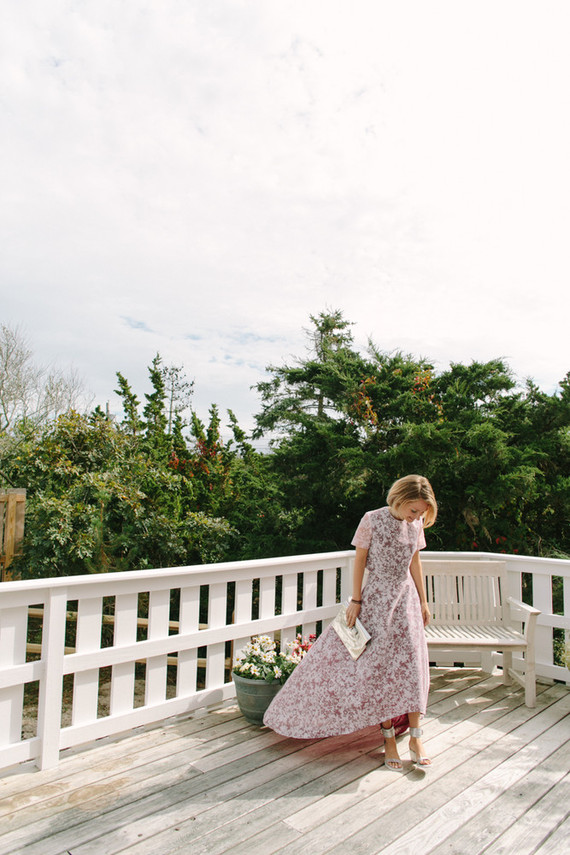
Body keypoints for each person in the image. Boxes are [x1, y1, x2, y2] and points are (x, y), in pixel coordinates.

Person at [263, 474, 437, 770]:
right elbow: (359, 561)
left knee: (412, 666)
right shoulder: (372, 519)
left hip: (406, 600)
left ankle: (416, 737)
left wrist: (423, 600)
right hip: (378, 600)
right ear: (399, 499)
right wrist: (356, 601)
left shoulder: (416, 524)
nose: (417, 516)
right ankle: (389, 738)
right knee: (379, 669)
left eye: (421, 512)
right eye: (414, 510)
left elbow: (415, 561)